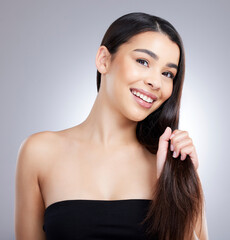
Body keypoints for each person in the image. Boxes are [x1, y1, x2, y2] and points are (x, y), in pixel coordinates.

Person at [15, 12, 208, 240]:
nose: (155, 82)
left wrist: (180, 185)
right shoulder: (39, 152)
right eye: (143, 61)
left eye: (167, 73)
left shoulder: (172, 165)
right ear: (104, 60)